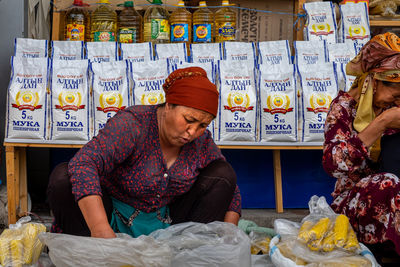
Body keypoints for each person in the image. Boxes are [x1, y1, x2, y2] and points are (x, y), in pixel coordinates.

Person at [47, 66, 241, 238]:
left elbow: (230, 189)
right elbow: (84, 163)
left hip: (168, 227)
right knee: (63, 177)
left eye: (202, 125)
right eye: (189, 120)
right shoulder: (133, 125)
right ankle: (91, 254)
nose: (193, 132)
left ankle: (192, 254)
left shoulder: (202, 142)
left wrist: (228, 237)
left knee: (222, 173)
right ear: (168, 106)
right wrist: (100, 229)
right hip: (111, 219)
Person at [322, 32, 400, 254]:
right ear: (374, 81)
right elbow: (333, 165)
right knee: (387, 183)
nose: (397, 103)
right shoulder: (344, 109)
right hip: (356, 206)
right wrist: (382, 123)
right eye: (394, 96)